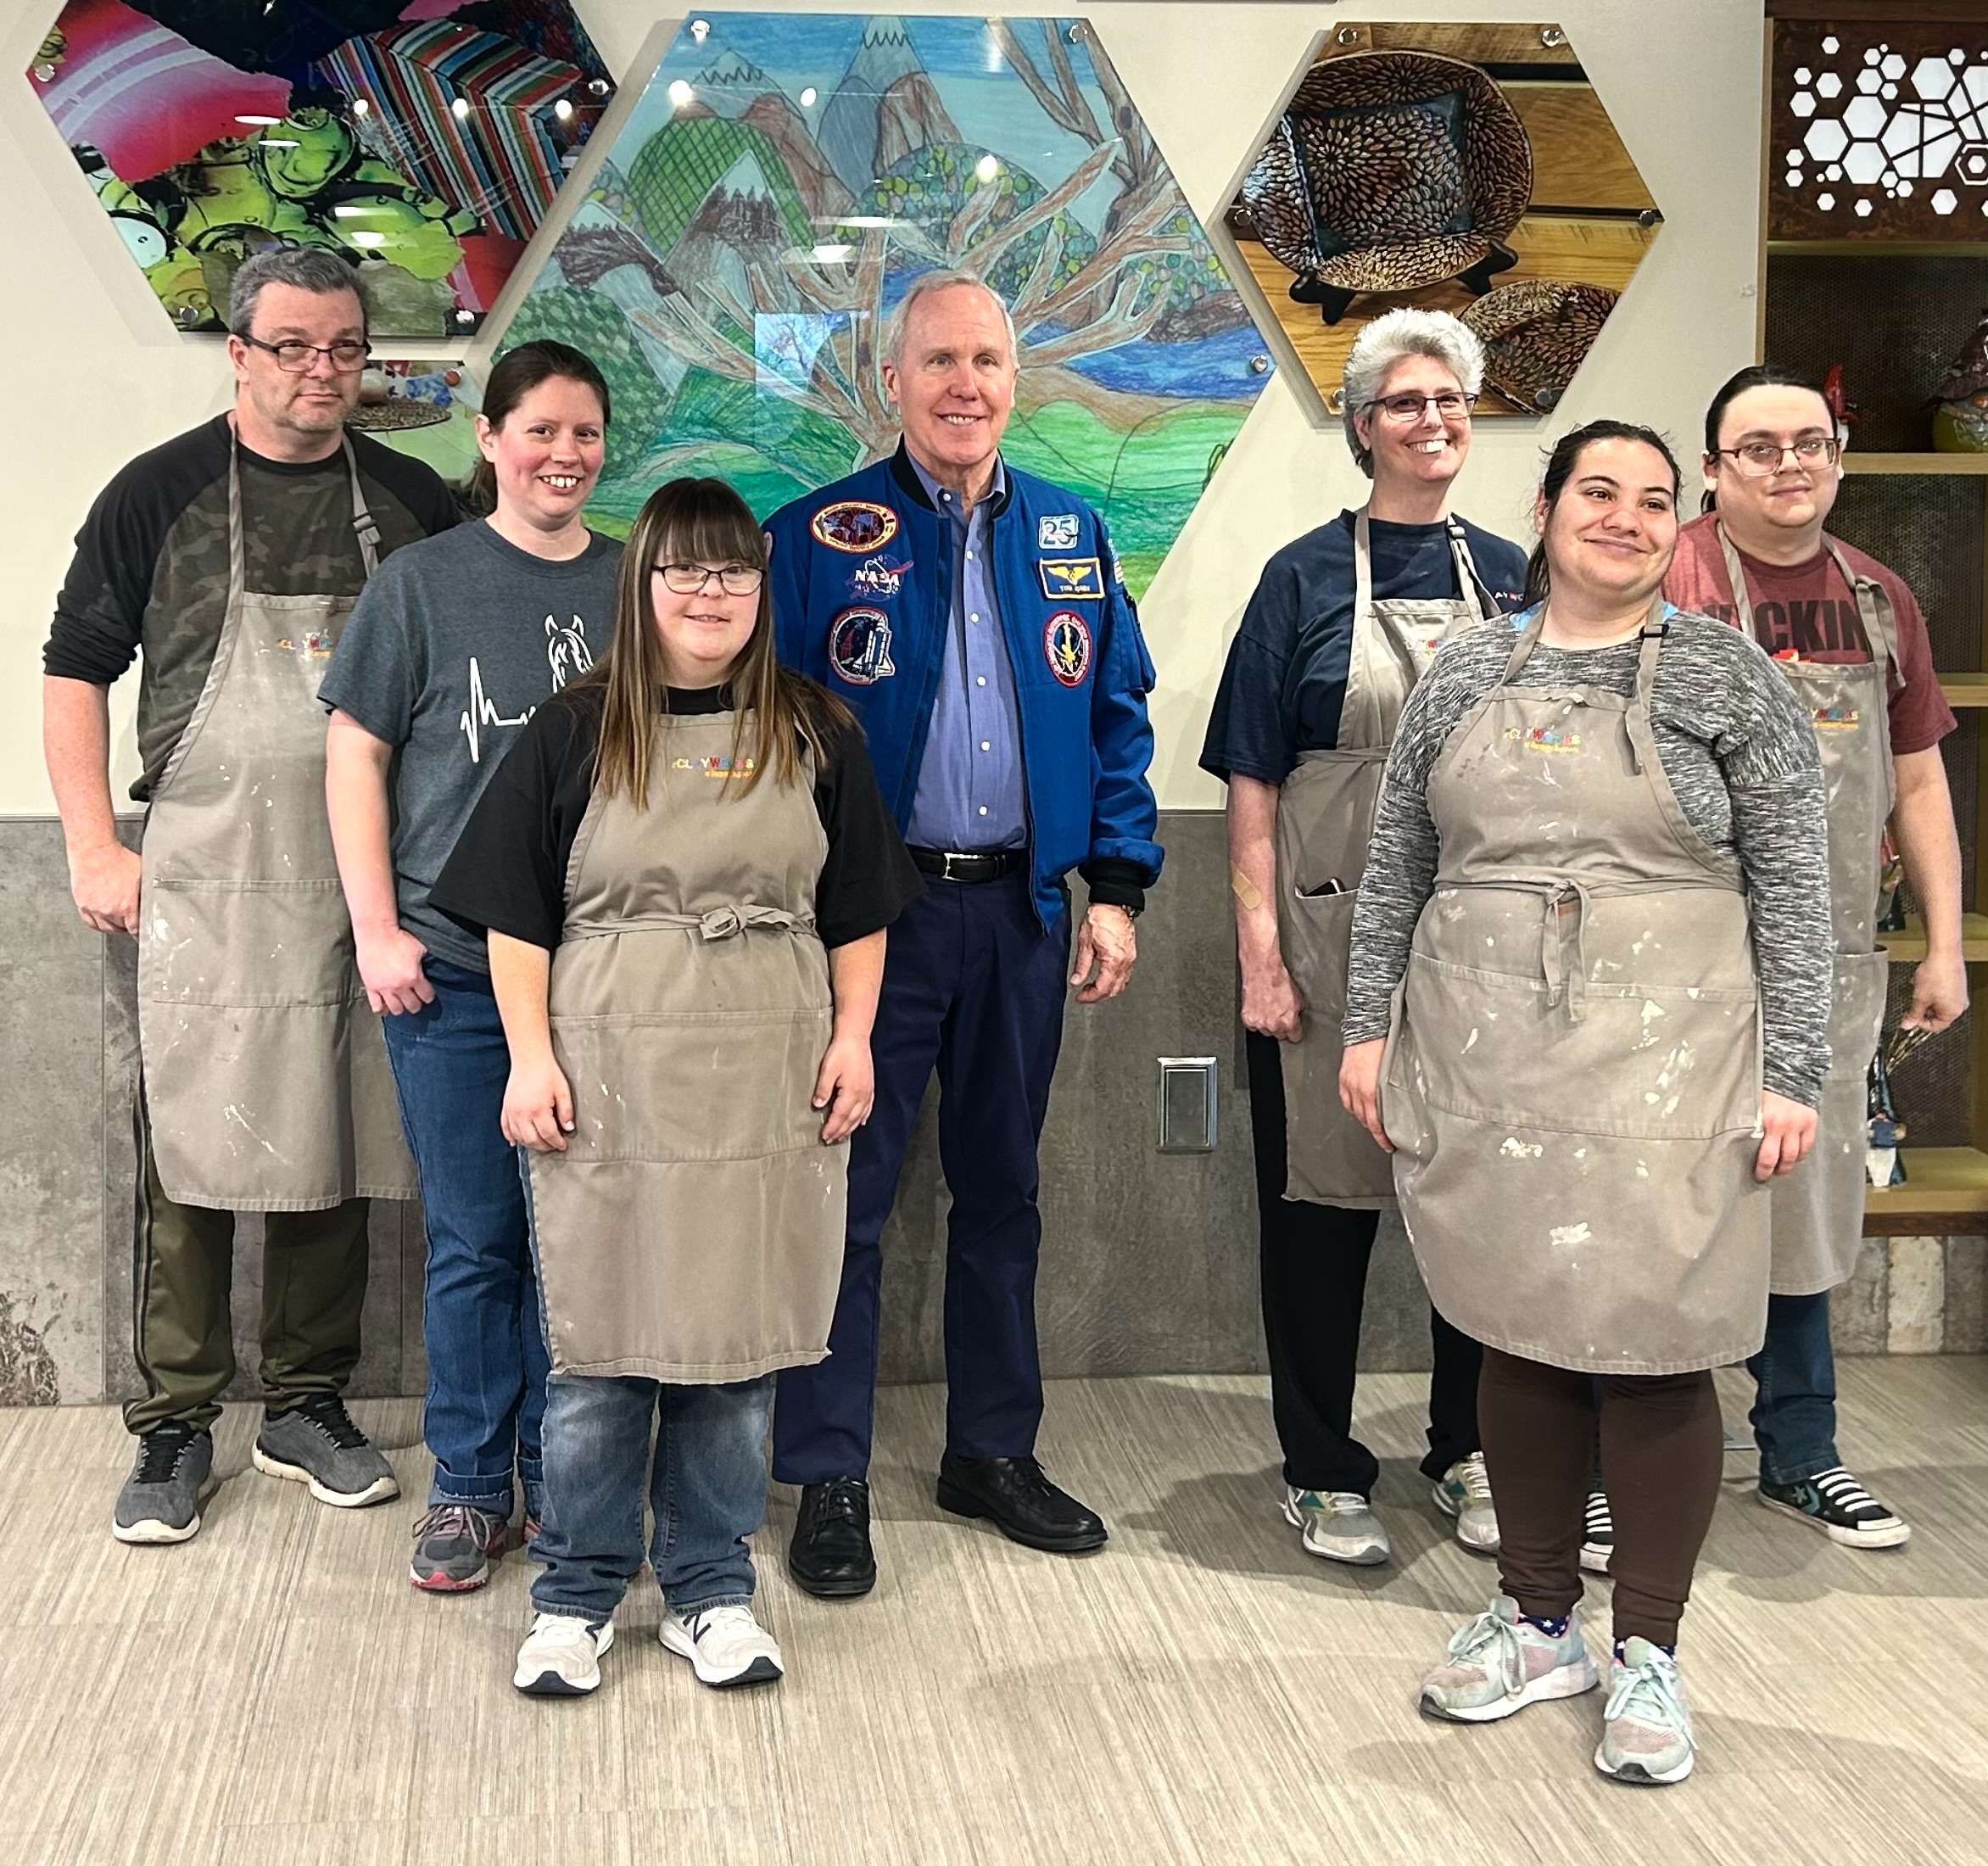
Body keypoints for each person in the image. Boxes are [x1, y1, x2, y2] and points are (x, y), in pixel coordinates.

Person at [1339, 421, 1830, 1785]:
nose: (1622, 517)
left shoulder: (1728, 679)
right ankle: (1538, 1617)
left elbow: (1797, 885)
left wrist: (1796, 1071)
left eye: (1653, 501)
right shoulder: (1467, 671)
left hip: (1677, 1062)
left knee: (1659, 1343)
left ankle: (1651, 1651)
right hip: (1487, 1046)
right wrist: (1370, 1026)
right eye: (1596, 492)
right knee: (1521, 1328)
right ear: (1546, 509)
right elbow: (1399, 864)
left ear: (1679, 528)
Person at [427, 477, 919, 1696]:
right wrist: (532, 1058)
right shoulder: (575, 730)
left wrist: (854, 1038)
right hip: (611, 1069)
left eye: (734, 572)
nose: (711, 594)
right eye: (685, 571)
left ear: (763, 589)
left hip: (769, 1068)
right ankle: (578, 1594)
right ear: (641, 583)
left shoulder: (816, 732)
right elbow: (517, 923)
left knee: (734, 1343)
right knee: (600, 1347)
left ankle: (709, 1589)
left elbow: (857, 913)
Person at [42, 249, 459, 1545]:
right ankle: (173, 1423)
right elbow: (74, 669)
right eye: (292, 347)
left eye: (343, 348)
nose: (320, 371)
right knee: (193, 1144)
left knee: (334, 1131)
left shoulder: (408, 498)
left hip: (361, 877)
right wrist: (92, 844)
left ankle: (306, 1401)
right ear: (239, 352)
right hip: (204, 879)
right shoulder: (155, 493)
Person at [763, 271, 1161, 1597]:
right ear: (892, 380)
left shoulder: (1075, 534)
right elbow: (765, 743)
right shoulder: (817, 537)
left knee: (1003, 1195)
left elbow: (1116, 721)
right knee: (851, 1202)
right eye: (938, 360)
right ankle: (827, 1471)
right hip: (872, 927)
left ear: (1018, 377)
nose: (966, 385)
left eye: (988, 360)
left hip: (1022, 915)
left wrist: (1115, 886)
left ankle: (989, 1452)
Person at [1201, 309, 1527, 1567]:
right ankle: (1323, 1467)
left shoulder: (1511, 574)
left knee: (1476, 1210)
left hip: (1481, 950)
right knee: (1319, 1212)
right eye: (1405, 402)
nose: (1432, 421)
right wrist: (1260, 960)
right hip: (1327, 945)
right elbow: (1250, 785)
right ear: (1361, 424)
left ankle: (1468, 1450)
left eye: (1450, 400)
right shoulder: (1298, 579)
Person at [321, 340, 623, 1591]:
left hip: (598, 981)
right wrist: (378, 927)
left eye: (586, 435)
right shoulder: (421, 584)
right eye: (540, 431)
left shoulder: (637, 585)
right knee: (475, 1239)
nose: (564, 455)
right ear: (490, 441)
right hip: (445, 976)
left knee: (576, 1241)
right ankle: (465, 1487)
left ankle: (565, 1479)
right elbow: (354, 759)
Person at [1656, 363, 1963, 1553]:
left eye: (1812, 444)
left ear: (1838, 457)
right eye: (1760, 447)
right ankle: (1612, 1454)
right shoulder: (1666, 577)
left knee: (1809, 1196)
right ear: (1714, 466)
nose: (1791, 465)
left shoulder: (1880, 597)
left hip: (1828, 952)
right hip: (1677, 954)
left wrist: (1945, 943)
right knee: (1655, 1196)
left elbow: (1921, 777)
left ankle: (1803, 1449)